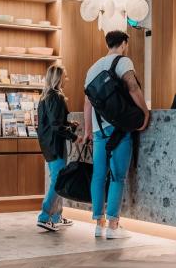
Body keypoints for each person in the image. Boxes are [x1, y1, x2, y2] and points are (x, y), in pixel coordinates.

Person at [83, 30, 149, 239]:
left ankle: (98, 224)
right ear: (124, 43)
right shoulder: (123, 62)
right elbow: (133, 88)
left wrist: (87, 130)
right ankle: (113, 225)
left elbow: (87, 102)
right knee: (118, 176)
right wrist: (144, 113)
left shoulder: (92, 68)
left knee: (98, 175)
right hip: (120, 128)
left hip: (98, 129)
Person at [36, 64, 82, 232]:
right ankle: (44, 216)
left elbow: (52, 122)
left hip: (48, 145)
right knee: (57, 180)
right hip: (56, 145)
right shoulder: (56, 97)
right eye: (65, 76)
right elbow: (56, 125)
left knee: (58, 178)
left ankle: (56, 216)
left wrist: (70, 125)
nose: (67, 79)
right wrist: (74, 136)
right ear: (58, 78)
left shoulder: (45, 97)